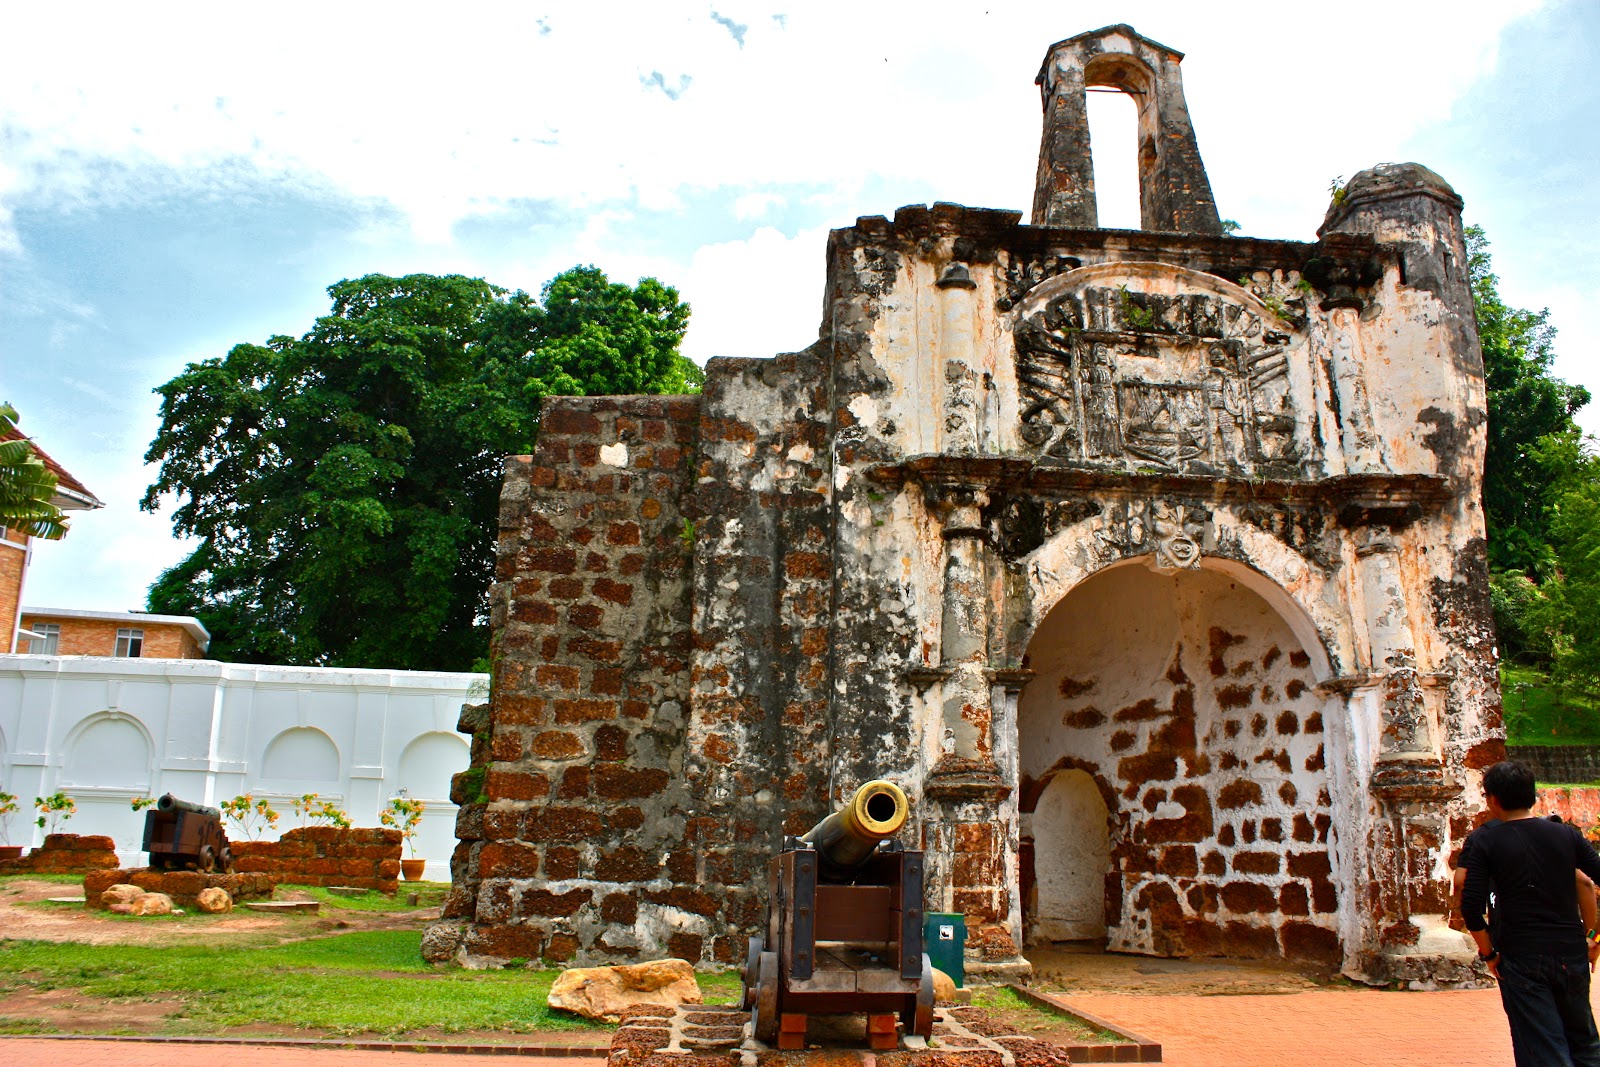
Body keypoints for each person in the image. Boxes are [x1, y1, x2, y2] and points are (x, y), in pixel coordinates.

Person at [1462, 760, 1600, 1066]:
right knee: (1585, 1045)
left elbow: (1470, 907)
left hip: (1521, 956)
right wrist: (1594, 937)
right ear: (1533, 796)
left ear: (1493, 799)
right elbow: (1591, 881)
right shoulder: (1566, 835)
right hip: (1571, 953)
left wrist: (1489, 955)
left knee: (1542, 1047)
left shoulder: (1486, 840)